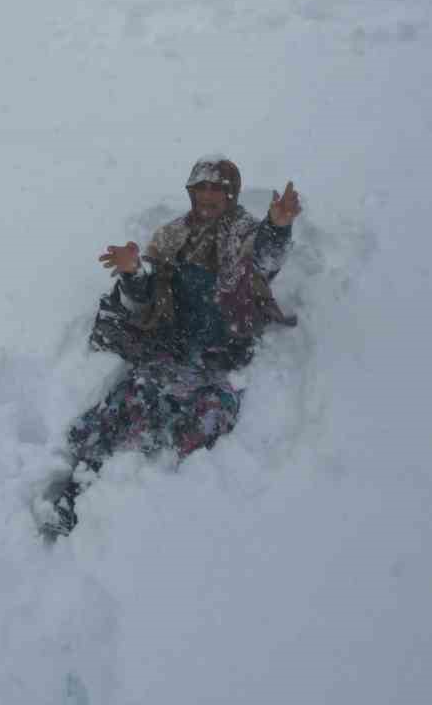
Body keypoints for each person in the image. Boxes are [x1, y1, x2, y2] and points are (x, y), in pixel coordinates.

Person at [39, 156, 302, 538]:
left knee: (203, 422)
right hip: (172, 350)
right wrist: (134, 273)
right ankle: (74, 494)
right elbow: (145, 298)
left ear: (232, 194)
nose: (209, 195)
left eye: (218, 188)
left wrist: (278, 227)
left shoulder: (246, 232)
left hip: (222, 357)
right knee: (127, 406)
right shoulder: (172, 235)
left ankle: (157, 517)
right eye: (201, 188)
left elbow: (264, 258)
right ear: (191, 193)